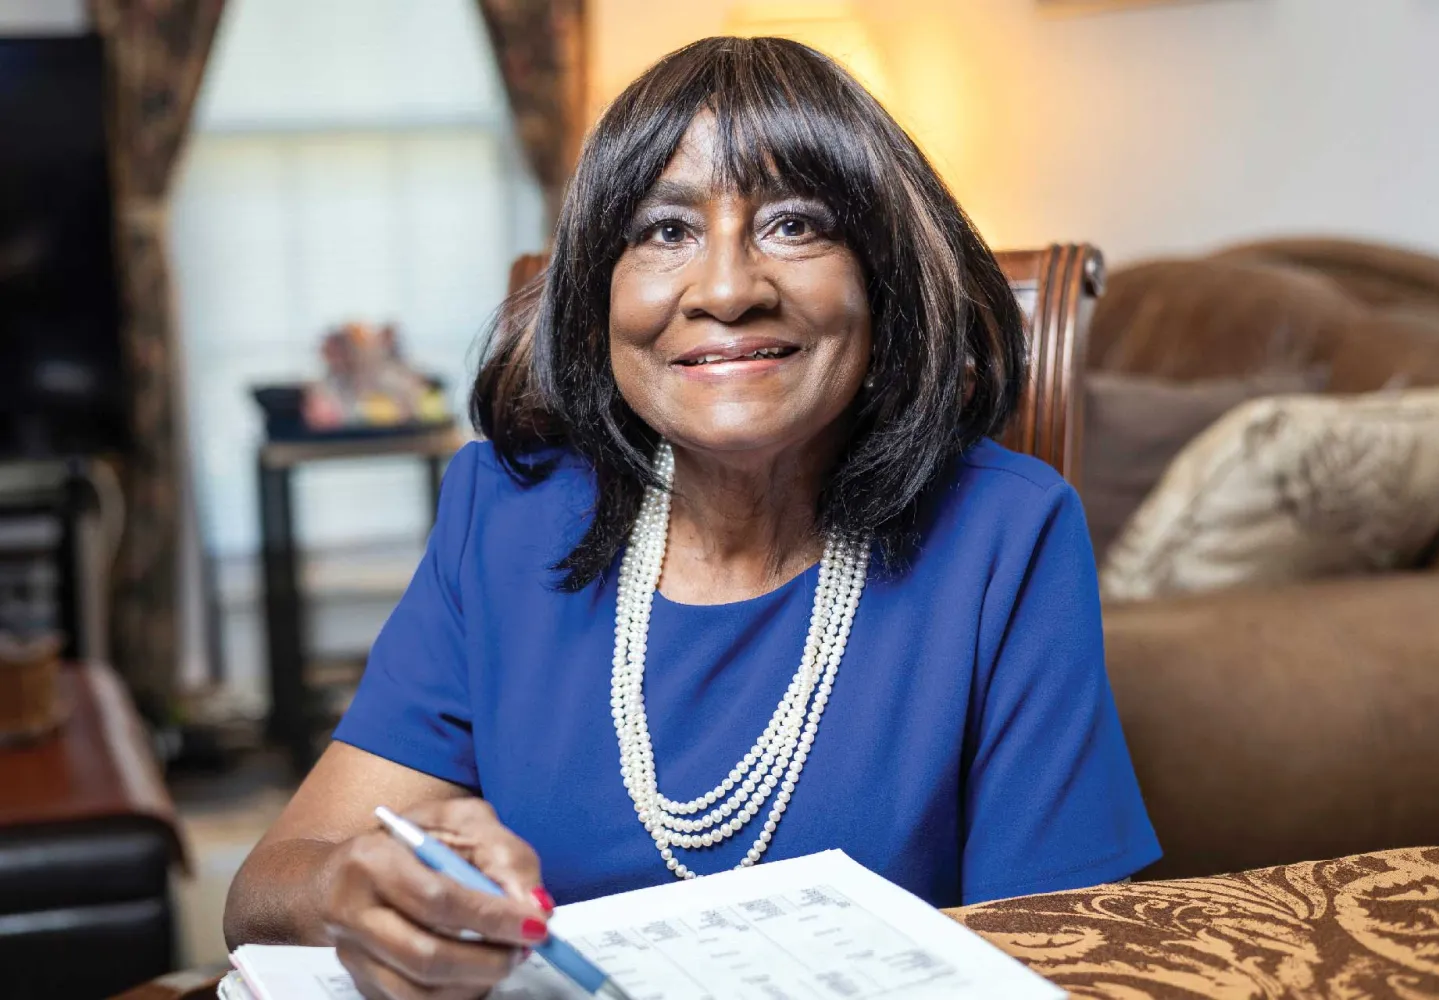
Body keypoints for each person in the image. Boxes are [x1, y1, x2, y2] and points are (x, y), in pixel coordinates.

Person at [225, 35, 1160, 1000]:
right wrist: (357, 889)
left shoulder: (1008, 536)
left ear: (883, 284)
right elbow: (266, 887)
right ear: (597, 299)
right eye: (664, 231)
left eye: (796, 224)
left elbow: (1057, 952)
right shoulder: (501, 515)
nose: (725, 289)